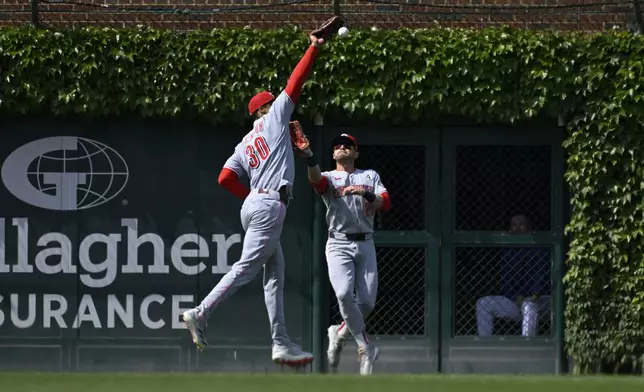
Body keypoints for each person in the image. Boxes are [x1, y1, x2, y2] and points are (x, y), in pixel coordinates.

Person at [182, 32, 326, 366]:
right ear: (264, 107)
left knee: (275, 271)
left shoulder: (245, 142)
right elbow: (296, 82)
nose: (280, 103)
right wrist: (313, 47)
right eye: (273, 101)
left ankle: (280, 343)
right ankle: (200, 313)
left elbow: (225, 178)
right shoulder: (275, 117)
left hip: (253, 204)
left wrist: (251, 197)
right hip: (269, 203)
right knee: (246, 268)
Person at [304, 133, 392, 375]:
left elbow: (385, 202)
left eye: (348, 145)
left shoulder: (369, 175)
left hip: (366, 242)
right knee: (343, 294)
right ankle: (365, 348)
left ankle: (340, 331)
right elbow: (316, 182)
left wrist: (364, 193)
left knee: (366, 302)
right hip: (339, 243)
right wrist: (310, 157)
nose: (342, 147)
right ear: (333, 154)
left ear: (356, 152)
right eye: (337, 146)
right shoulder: (330, 177)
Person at [476, 214, 551, 337]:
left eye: (521, 224)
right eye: (514, 225)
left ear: (529, 228)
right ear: (509, 229)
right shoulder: (509, 252)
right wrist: (516, 298)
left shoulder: (540, 249)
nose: (517, 228)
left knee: (529, 306)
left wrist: (535, 294)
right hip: (516, 301)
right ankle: (485, 344)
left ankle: (527, 345)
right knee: (483, 303)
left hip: (540, 300)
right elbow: (505, 282)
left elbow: (542, 276)